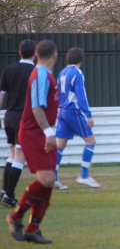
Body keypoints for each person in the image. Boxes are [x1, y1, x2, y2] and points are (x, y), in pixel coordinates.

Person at [6, 40, 59, 244]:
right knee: (46, 180)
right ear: (54, 55)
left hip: (42, 131)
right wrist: (48, 132)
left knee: (49, 182)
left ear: (37, 55)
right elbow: (37, 108)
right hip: (33, 132)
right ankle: (16, 217)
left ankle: (33, 229)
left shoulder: (45, 75)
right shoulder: (40, 75)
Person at [54, 48, 101, 189]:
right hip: (72, 111)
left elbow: (57, 94)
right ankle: (84, 176)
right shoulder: (77, 73)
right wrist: (88, 115)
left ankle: (54, 178)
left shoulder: (62, 72)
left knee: (60, 146)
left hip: (61, 111)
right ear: (81, 59)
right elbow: (81, 96)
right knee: (91, 142)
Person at [0, 39, 36, 208]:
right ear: (34, 54)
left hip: (9, 116)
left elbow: (2, 96)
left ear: (19, 52)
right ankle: (9, 195)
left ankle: (4, 192)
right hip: (24, 118)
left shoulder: (9, 70)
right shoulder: (35, 72)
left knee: (12, 154)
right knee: (19, 158)